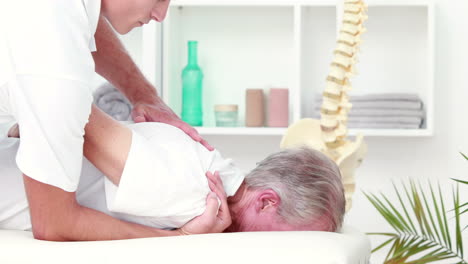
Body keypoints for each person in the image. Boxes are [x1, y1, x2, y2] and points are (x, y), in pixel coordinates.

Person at [0, 0, 217, 241]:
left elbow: (86, 21)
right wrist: (178, 235)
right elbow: (54, 224)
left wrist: (144, 94)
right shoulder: (54, 62)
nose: (161, 14)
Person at [1, 106, 346, 234]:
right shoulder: (192, 192)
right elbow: (62, 107)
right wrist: (179, 241)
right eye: (296, 238)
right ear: (267, 202)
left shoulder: (207, 175)